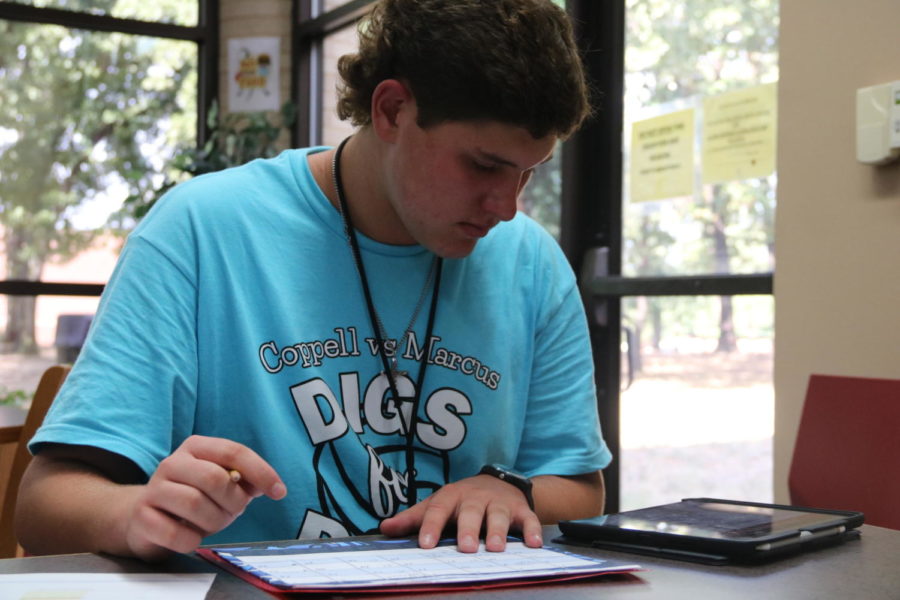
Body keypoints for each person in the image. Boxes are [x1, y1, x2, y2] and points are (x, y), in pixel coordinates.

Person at [16, 0, 612, 562]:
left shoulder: (531, 263)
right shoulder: (201, 231)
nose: (506, 207)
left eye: (527, 174)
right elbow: (43, 505)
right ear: (391, 111)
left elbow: (582, 487)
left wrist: (513, 491)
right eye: (483, 166)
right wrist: (132, 514)